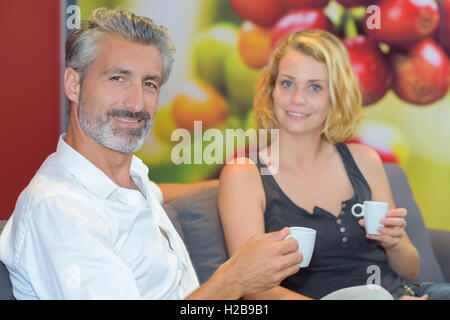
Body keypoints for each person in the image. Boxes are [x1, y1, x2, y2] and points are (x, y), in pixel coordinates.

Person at [0, 8, 304, 299]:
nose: (136, 104)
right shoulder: (60, 211)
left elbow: (153, 193)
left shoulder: (125, 177)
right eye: (117, 78)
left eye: (149, 83)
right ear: (73, 85)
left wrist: (243, 183)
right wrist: (235, 280)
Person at [218, 29, 450, 300]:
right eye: (287, 83)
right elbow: (251, 286)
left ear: (336, 96)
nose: (297, 99)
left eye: (314, 87)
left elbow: (410, 271)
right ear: (271, 90)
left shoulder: (364, 160)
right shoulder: (244, 174)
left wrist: (395, 242)